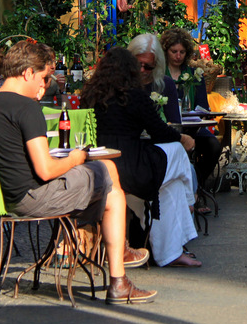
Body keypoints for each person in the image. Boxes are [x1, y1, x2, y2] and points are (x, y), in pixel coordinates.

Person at [0, 40, 156, 303]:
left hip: (3, 198)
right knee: (109, 175)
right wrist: (75, 158)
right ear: (27, 73)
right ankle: (119, 277)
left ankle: (113, 250)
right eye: (44, 77)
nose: (45, 85)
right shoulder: (26, 107)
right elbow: (46, 170)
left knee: (105, 175)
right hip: (32, 198)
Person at [85, 47, 201, 268]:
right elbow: (160, 131)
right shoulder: (135, 96)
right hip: (131, 168)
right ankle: (190, 201)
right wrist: (183, 137)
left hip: (100, 165)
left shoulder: (91, 95)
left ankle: (171, 254)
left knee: (170, 186)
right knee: (177, 150)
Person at [159, 28, 221, 197]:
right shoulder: (158, 77)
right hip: (167, 129)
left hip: (193, 127)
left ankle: (196, 188)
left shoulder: (194, 75)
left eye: (182, 52)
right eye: (174, 52)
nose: (178, 56)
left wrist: (196, 112)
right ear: (166, 51)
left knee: (214, 147)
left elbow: (203, 106)